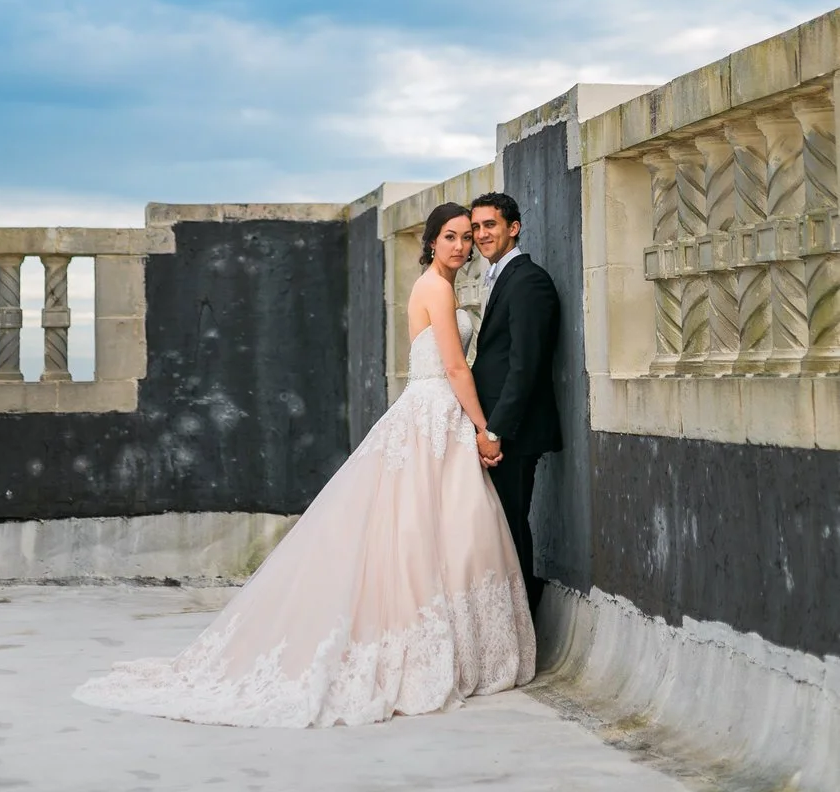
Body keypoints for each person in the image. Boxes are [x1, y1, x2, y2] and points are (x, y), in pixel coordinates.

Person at [74, 203, 534, 728]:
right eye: (449, 237)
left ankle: (449, 641)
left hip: (430, 413)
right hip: (436, 412)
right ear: (429, 243)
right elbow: (453, 366)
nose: (460, 246)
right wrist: (482, 428)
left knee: (438, 530)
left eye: (465, 239)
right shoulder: (436, 287)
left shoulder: (434, 286)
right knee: (432, 530)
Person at [469, 193, 562, 615]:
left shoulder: (529, 281)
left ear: (514, 227)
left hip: (514, 434)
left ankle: (525, 625)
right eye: (477, 227)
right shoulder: (498, 277)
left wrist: (494, 431)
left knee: (509, 530)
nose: (482, 234)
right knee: (498, 529)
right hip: (496, 429)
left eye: (491, 225)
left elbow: (525, 367)